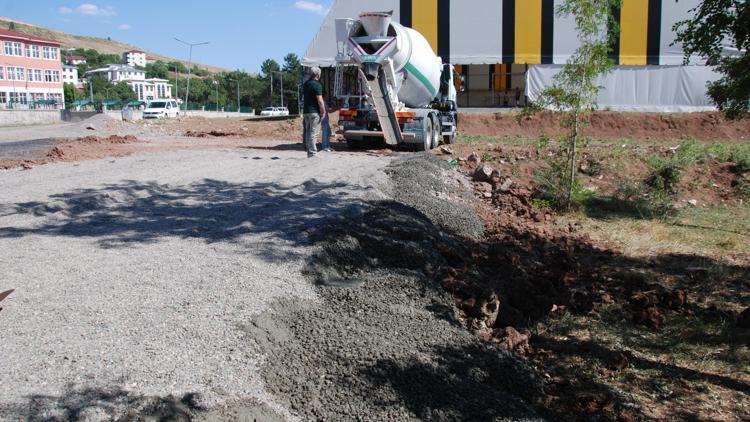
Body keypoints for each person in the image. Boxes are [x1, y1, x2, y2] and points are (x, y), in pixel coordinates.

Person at [303, 66, 327, 158]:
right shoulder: (317, 85)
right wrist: (323, 111)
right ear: (318, 75)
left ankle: (309, 153)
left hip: (306, 112)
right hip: (314, 112)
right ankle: (312, 153)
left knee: (308, 132)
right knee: (314, 133)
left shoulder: (306, 84)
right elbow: (320, 100)